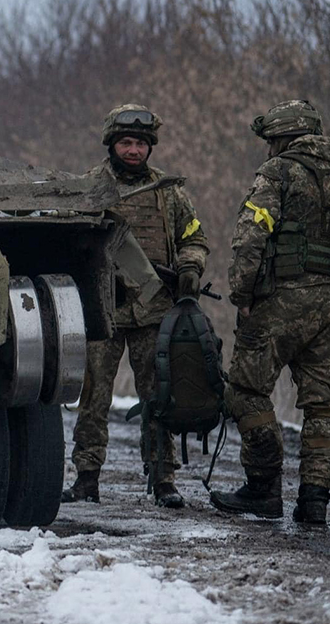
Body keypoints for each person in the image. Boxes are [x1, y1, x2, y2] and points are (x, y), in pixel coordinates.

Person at [210, 100, 330, 525]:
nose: (267, 150)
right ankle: (314, 500)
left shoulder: (277, 173)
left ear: (282, 137)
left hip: (280, 301)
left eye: (271, 142)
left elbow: (250, 236)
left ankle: (264, 488)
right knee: (323, 406)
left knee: (245, 390)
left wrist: (242, 294)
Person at [62, 104, 209, 509]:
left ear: (150, 147)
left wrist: (190, 266)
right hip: (102, 309)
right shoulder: (89, 188)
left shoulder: (169, 192)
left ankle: (164, 479)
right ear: (112, 144)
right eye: (126, 142)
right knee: (93, 397)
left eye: (140, 144)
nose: (133, 150)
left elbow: (194, 237)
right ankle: (86, 478)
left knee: (159, 396)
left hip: (153, 309)